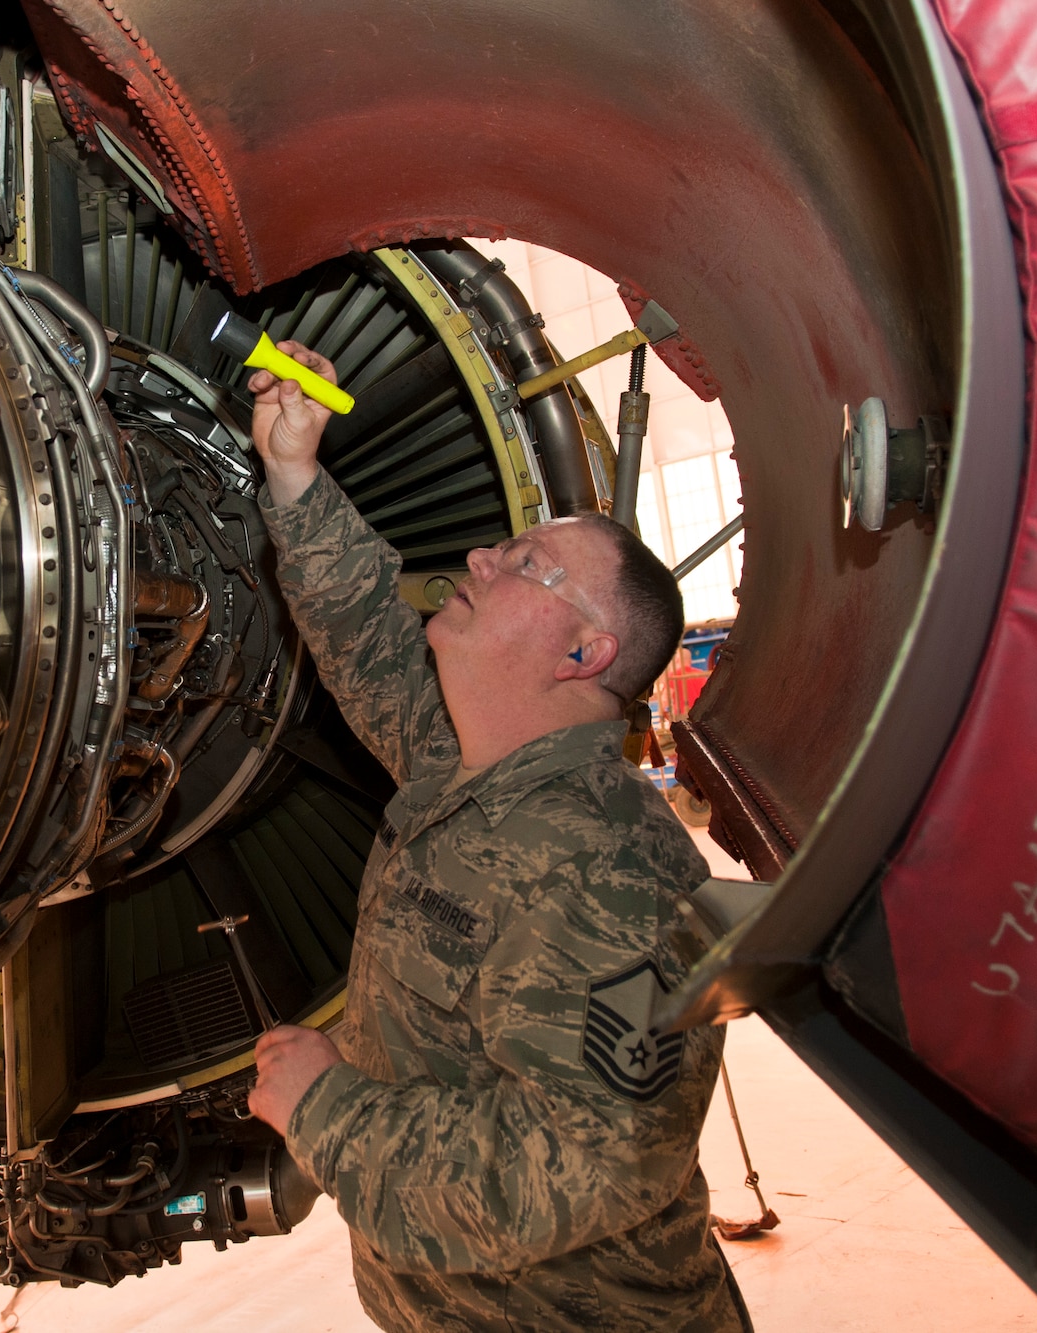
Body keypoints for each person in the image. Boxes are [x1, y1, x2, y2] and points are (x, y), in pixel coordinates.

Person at [242, 341, 750, 1332]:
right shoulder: (461, 761)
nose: (483, 555)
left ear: (582, 652)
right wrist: (294, 470)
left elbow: (587, 1163)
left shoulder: (615, 872)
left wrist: (323, 1106)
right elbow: (367, 637)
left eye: (529, 565)